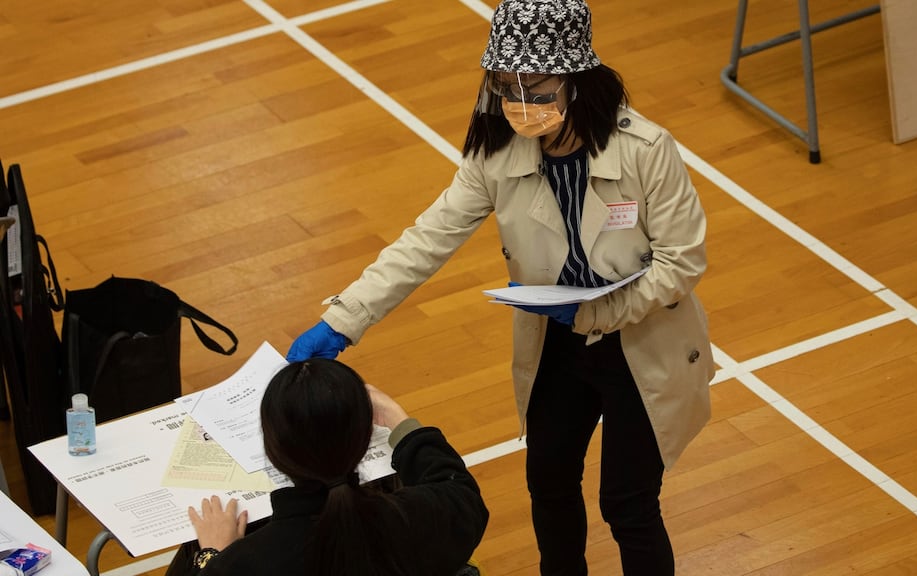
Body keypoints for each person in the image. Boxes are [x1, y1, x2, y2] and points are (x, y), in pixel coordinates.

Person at [287, 0, 714, 573]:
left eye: (536, 89)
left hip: (641, 340)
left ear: (577, 79)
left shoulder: (646, 150)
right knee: (549, 483)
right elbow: (426, 240)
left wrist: (595, 314)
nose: (520, 106)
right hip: (557, 344)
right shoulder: (495, 155)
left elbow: (682, 262)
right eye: (505, 88)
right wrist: (342, 319)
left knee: (628, 503)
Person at [177, 359, 489, 575]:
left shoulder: (247, 563)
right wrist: (398, 418)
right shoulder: (423, 518)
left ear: (274, 454)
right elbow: (458, 488)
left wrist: (210, 555)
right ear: (366, 438)